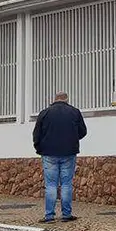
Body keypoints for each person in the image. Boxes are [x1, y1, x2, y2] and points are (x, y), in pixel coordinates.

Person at [33, 91, 87, 222]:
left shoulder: (44, 113)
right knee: (66, 184)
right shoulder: (74, 112)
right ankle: (66, 215)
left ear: (54, 99)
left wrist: (39, 148)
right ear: (66, 99)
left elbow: (36, 134)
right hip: (69, 152)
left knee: (51, 185)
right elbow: (83, 132)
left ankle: (49, 216)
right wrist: (72, 140)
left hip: (48, 153)